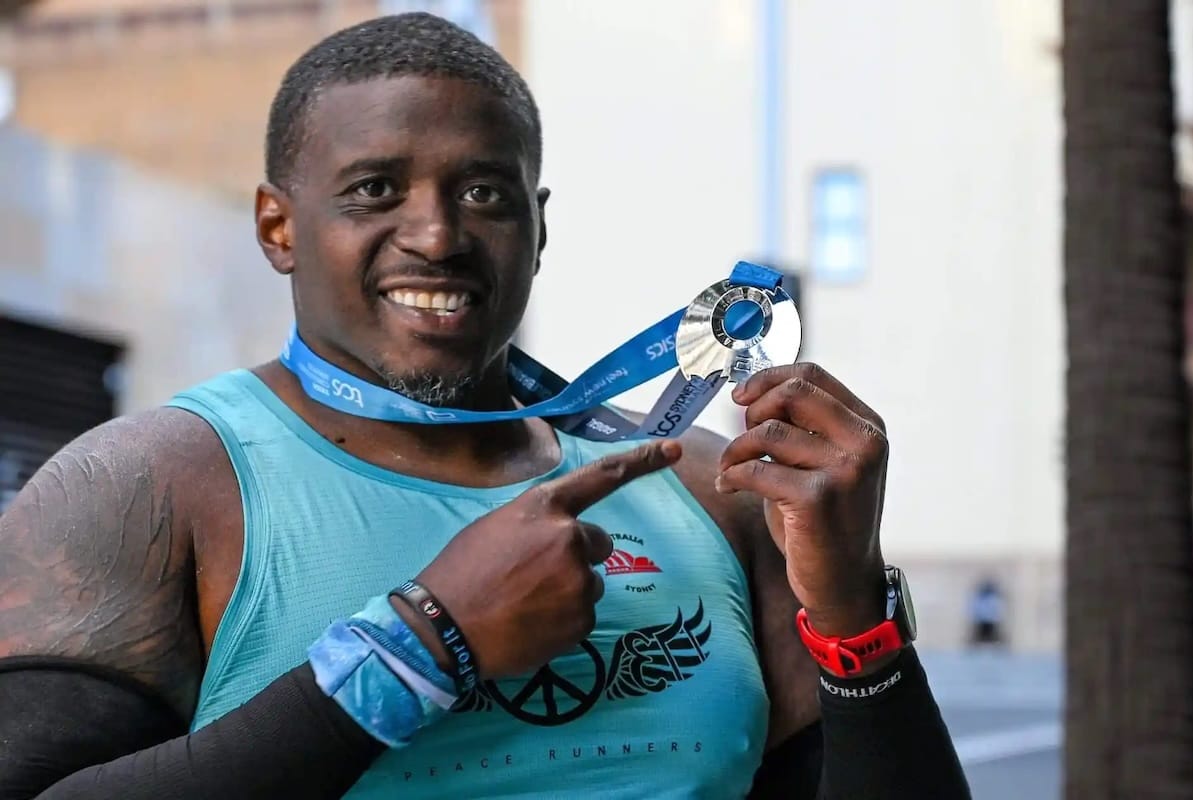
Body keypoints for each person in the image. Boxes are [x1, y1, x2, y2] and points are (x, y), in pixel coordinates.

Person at [0, 13, 970, 800]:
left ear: (539, 228)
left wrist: (852, 608)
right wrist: (423, 646)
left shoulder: (708, 491)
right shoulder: (150, 485)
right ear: (279, 225)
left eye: (485, 193)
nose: (436, 233)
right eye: (376, 189)